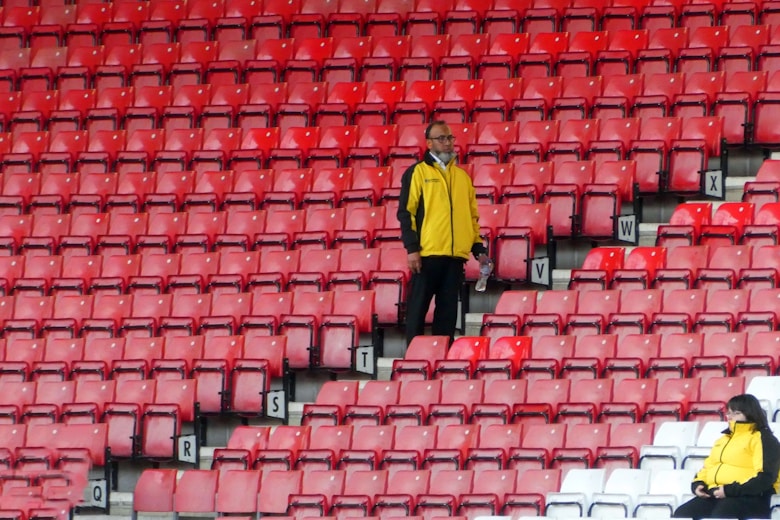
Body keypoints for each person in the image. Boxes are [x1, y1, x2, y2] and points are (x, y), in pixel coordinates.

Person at [397, 120, 488, 345]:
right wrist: (412, 249)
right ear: (429, 143)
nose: (447, 143)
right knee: (418, 309)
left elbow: (471, 217)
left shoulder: (463, 178)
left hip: (455, 256)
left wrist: (478, 248)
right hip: (427, 254)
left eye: (450, 138)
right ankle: (413, 358)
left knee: (447, 314)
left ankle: (441, 359)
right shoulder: (417, 172)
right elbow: (405, 213)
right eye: (441, 138)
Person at [672, 394, 780, 520]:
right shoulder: (723, 440)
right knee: (683, 513)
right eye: (728, 413)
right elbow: (708, 467)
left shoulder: (763, 438)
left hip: (752, 497)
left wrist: (729, 491)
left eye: (736, 413)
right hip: (718, 495)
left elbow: (765, 477)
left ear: (750, 414)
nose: (730, 417)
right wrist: (697, 484)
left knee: (722, 515)